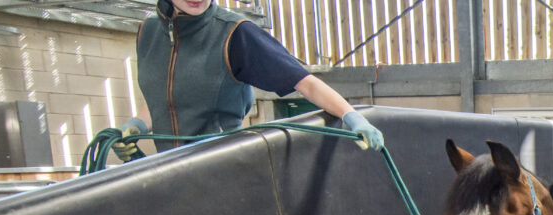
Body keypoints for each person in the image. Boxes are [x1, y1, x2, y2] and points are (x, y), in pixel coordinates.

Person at [115, 0, 384, 159]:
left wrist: (351, 116)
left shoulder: (234, 33)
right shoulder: (147, 33)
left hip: (220, 168)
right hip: (164, 170)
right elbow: (166, 96)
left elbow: (304, 81)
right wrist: (138, 125)